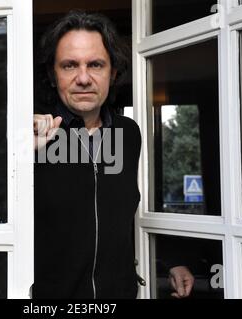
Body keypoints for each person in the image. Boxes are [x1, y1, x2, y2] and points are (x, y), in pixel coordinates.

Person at [33, 11, 194, 299]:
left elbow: (127, 208)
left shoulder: (128, 134)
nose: (83, 78)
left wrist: (173, 259)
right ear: (52, 75)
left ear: (114, 73)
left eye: (95, 64)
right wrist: (19, 154)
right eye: (70, 65)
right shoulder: (34, 135)